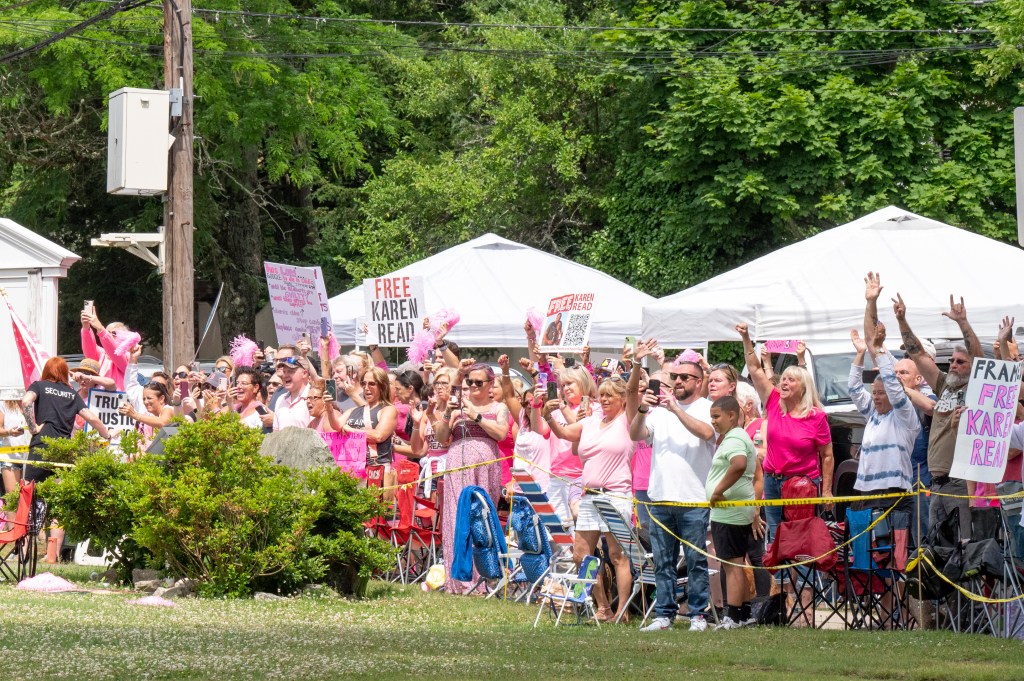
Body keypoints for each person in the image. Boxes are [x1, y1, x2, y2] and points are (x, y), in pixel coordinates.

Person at [629, 340, 715, 632]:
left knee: (694, 561)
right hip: (661, 497)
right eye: (675, 377)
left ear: (699, 382)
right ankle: (663, 614)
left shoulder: (707, 408)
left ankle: (697, 615)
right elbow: (636, 434)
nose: (677, 381)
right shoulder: (658, 410)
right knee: (663, 562)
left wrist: (676, 409)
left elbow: (706, 432)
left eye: (684, 377)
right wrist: (642, 410)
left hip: (693, 499)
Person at [892, 290, 982, 541]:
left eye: (960, 362)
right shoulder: (944, 385)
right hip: (937, 483)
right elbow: (918, 354)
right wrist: (901, 320)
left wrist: (963, 323)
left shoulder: (976, 389)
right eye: (951, 360)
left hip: (960, 483)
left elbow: (977, 356)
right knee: (938, 549)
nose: (952, 364)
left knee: (962, 547)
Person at [544, 376, 634, 622]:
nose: (604, 399)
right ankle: (603, 607)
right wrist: (548, 416)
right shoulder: (590, 422)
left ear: (623, 400)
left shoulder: (627, 421)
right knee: (581, 554)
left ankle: (622, 611)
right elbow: (563, 432)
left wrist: (636, 367)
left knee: (618, 556)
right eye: (601, 395)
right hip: (589, 496)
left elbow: (635, 391)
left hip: (616, 495)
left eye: (610, 396)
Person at [737, 323, 834, 542]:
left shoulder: (816, 416)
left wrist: (826, 490)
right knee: (775, 537)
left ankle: (800, 578)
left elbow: (827, 455)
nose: (784, 382)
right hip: (772, 480)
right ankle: (779, 577)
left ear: (803, 387)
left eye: (791, 379)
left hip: (801, 484)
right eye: (783, 378)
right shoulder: (773, 402)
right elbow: (754, 369)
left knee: (799, 537)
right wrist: (746, 338)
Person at [21, 357, 111, 563]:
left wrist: (33, 428)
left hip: (40, 448)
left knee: (29, 499)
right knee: (59, 505)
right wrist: (107, 435)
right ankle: (52, 556)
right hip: (63, 452)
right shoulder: (71, 393)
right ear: (64, 373)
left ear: (46, 371)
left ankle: (24, 553)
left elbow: (26, 401)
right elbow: (92, 417)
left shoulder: (39, 385)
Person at [434, 363, 508, 594]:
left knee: (482, 517)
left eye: (478, 382)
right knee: (456, 516)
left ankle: (483, 580)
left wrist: (476, 416)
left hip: (485, 468)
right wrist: (448, 412)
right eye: (470, 382)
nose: (473, 386)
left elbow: (501, 433)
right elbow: (441, 436)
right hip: (457, 463)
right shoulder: (456, 408)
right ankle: (457, 580)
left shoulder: (499, 407)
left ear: (490, 384)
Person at [848, 328, 919, 506]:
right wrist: (860, 354)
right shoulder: (872, 413)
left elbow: (894, 388)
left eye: (881, 393)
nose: (876, 397)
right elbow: (854, 389)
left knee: (895, 534)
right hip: (867, 489)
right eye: (875, 393)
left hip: (894, 490)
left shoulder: (904, 416)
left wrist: (879, 350)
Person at [706, 395, 759, 629]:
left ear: (732, 416)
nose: (713, 422)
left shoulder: (735, 437)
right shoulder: (734, 437)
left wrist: (717, 491)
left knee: (732, 564)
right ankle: (745, 613)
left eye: (716, 416)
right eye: (711, 417)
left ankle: (733, 616)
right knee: (735, 562)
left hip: (730, 512)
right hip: (734, 511)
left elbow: (738, 464)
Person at [530, 365, 593, 530]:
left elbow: (579, 432)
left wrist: (562, 406)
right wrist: (536, 406)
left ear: (583, 381)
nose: (566, 388)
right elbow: (540, 429)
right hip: (557, 476)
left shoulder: (593, 407)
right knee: (555, 529)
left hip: (582, 477)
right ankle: (562, 556)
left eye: (570, 383)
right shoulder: (558, 410)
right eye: (563, 385)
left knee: (578, 529)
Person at [341, 367, 398, 469]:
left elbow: (378, 436)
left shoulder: (389, 409)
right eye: (363, 383)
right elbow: (335, 427)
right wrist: (328, 407)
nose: (366, 388)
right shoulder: (355, 410)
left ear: (382, 386)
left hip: (377, 469)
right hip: (354, 467)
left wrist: (351, 430)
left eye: (371, 384)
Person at [119, 382, 175, 450]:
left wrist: (135, 415)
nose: (145, 402)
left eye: (149, 398)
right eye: (144, 399)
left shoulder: (168, 409)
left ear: (161, 399)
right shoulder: (153, 416)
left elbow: (163, 423)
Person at [272, 355, 313, 431]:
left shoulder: (314, 398)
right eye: (284, 372)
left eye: (290, 371)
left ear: (304, 373)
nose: (285, 375)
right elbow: (276, 433)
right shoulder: (280, 399)